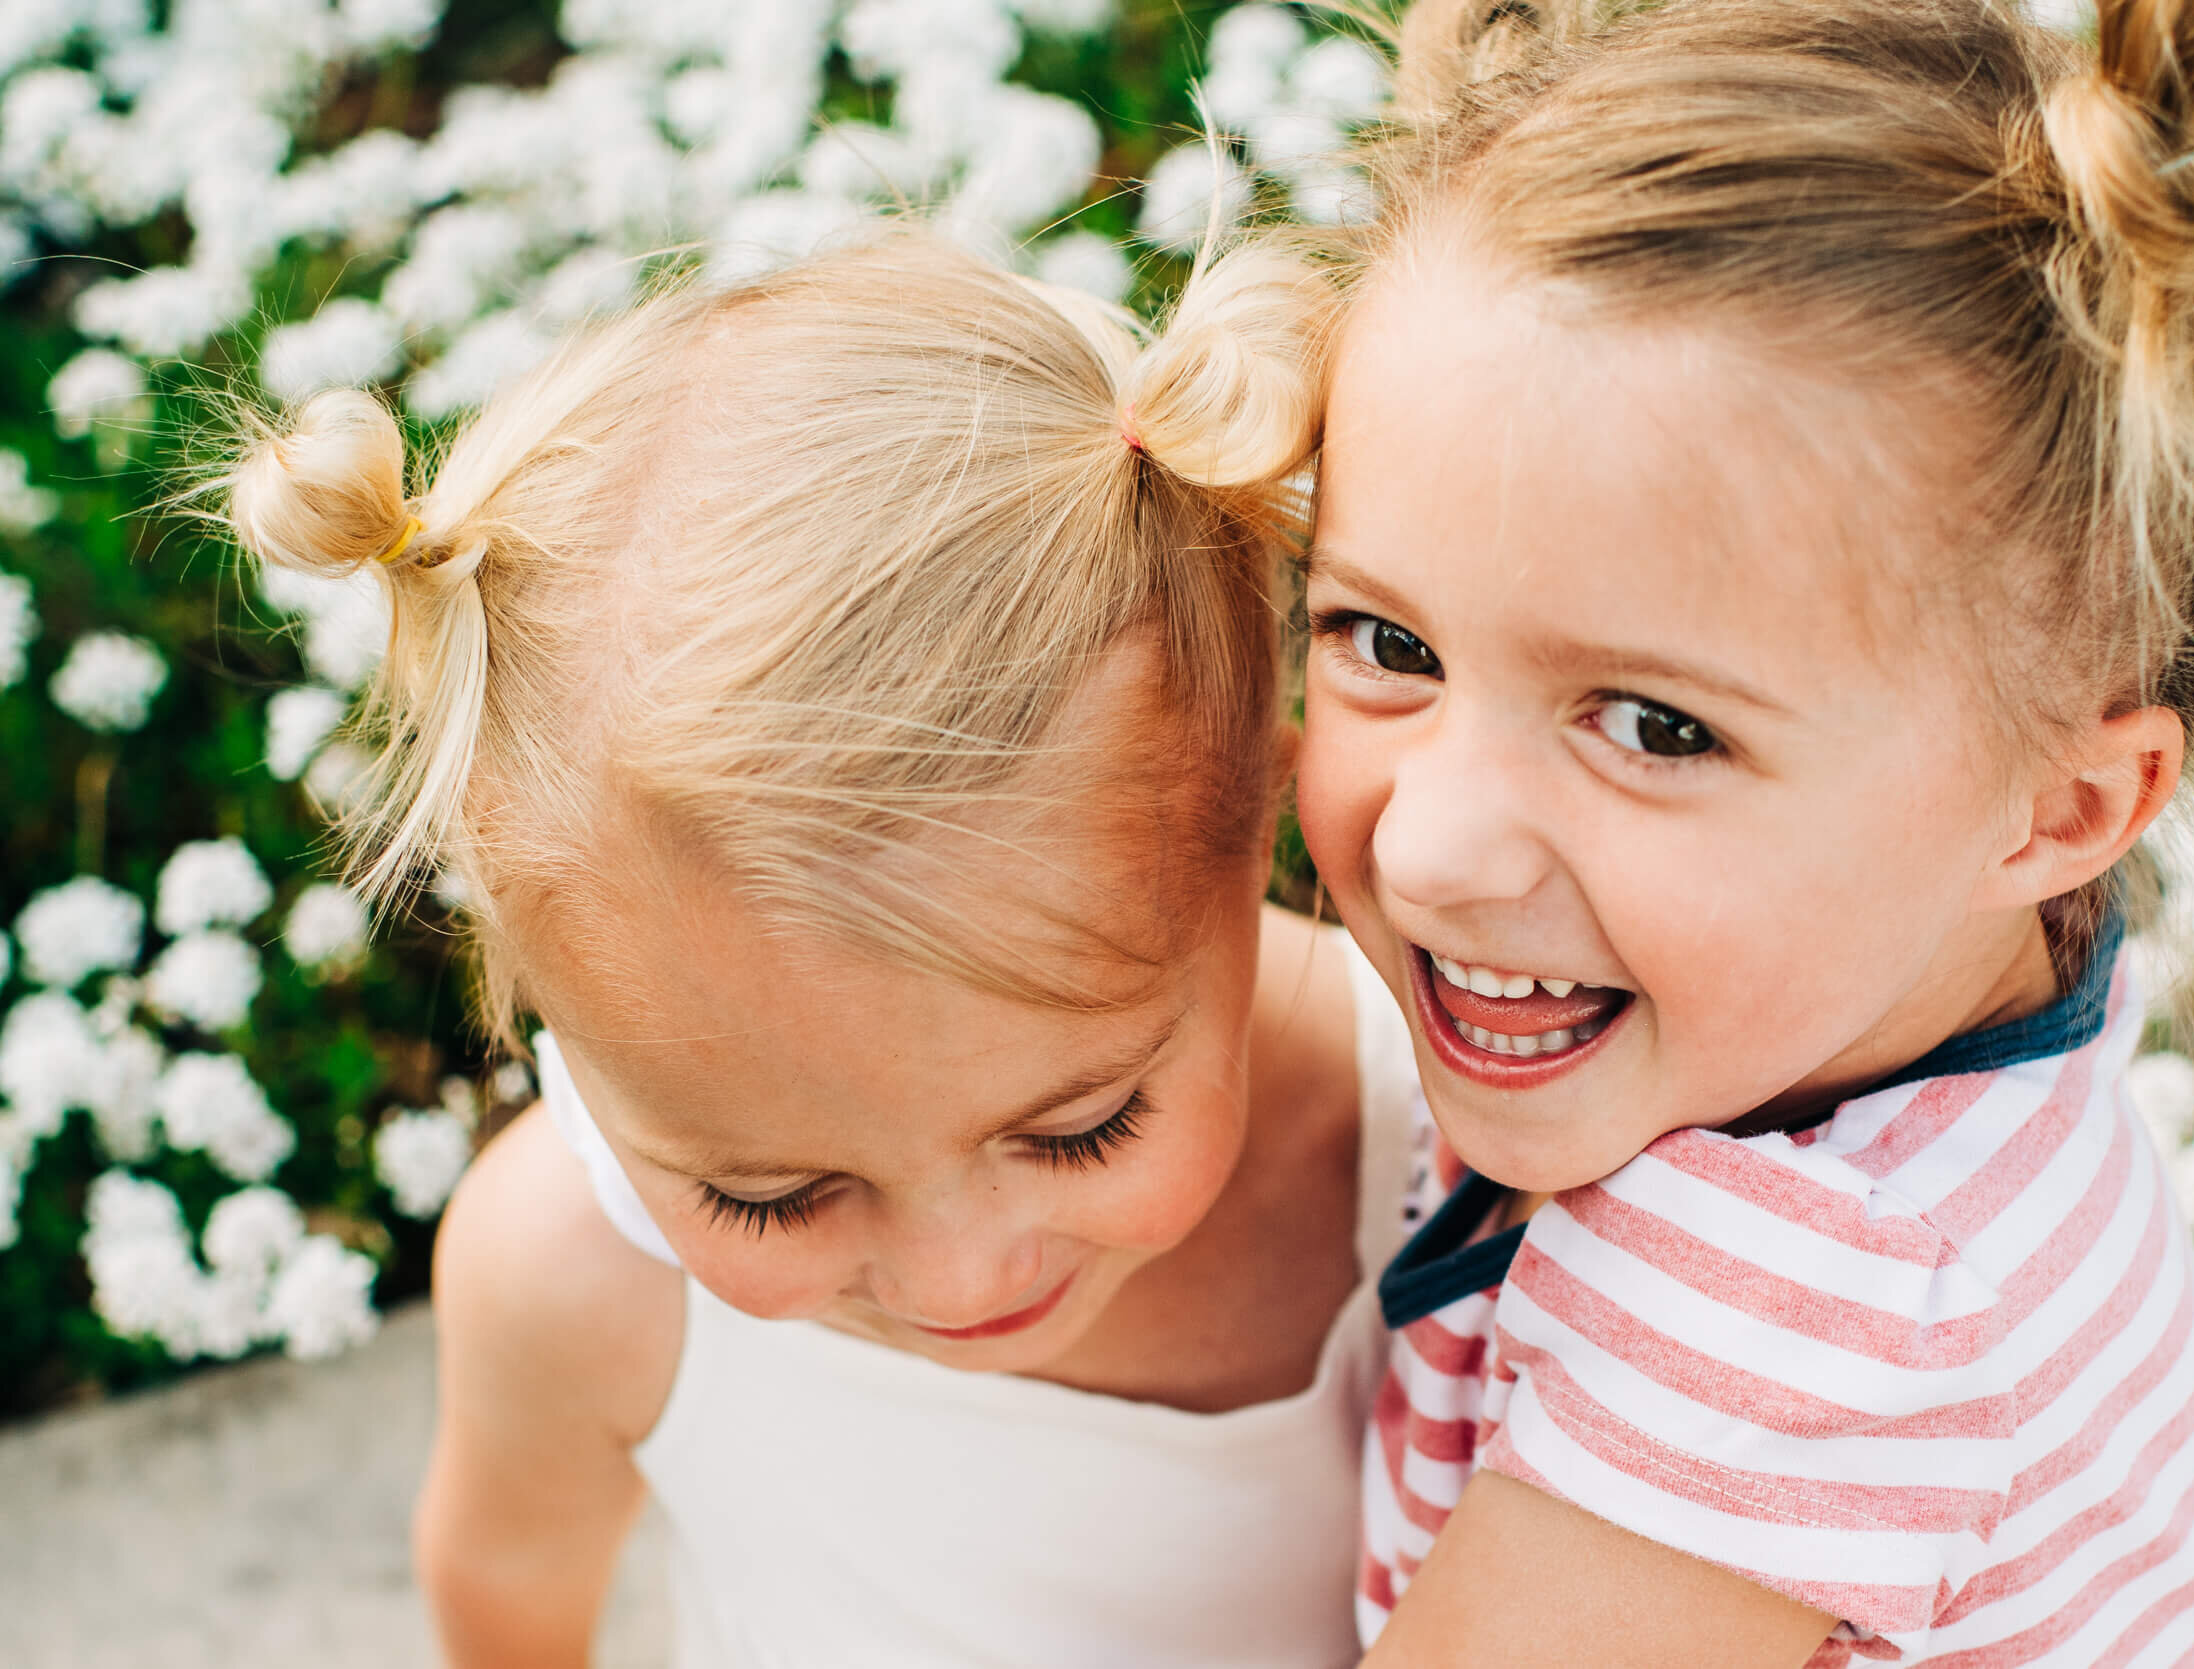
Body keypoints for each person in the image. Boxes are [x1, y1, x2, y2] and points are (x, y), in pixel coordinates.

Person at [215, 230, 1426, 1668]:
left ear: (1261, 822)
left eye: (1085, 1128)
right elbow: (504, 1588)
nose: (959, 1278)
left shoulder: (1435, 1141)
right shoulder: (571, 1275)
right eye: (774, 1197)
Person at [1283, 0, 2194, 1661]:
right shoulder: (1913, 1001)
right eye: (1389, 646)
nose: (1431, 850)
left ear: (2056, 807)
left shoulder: (1801, 1311)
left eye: (1658, 726)